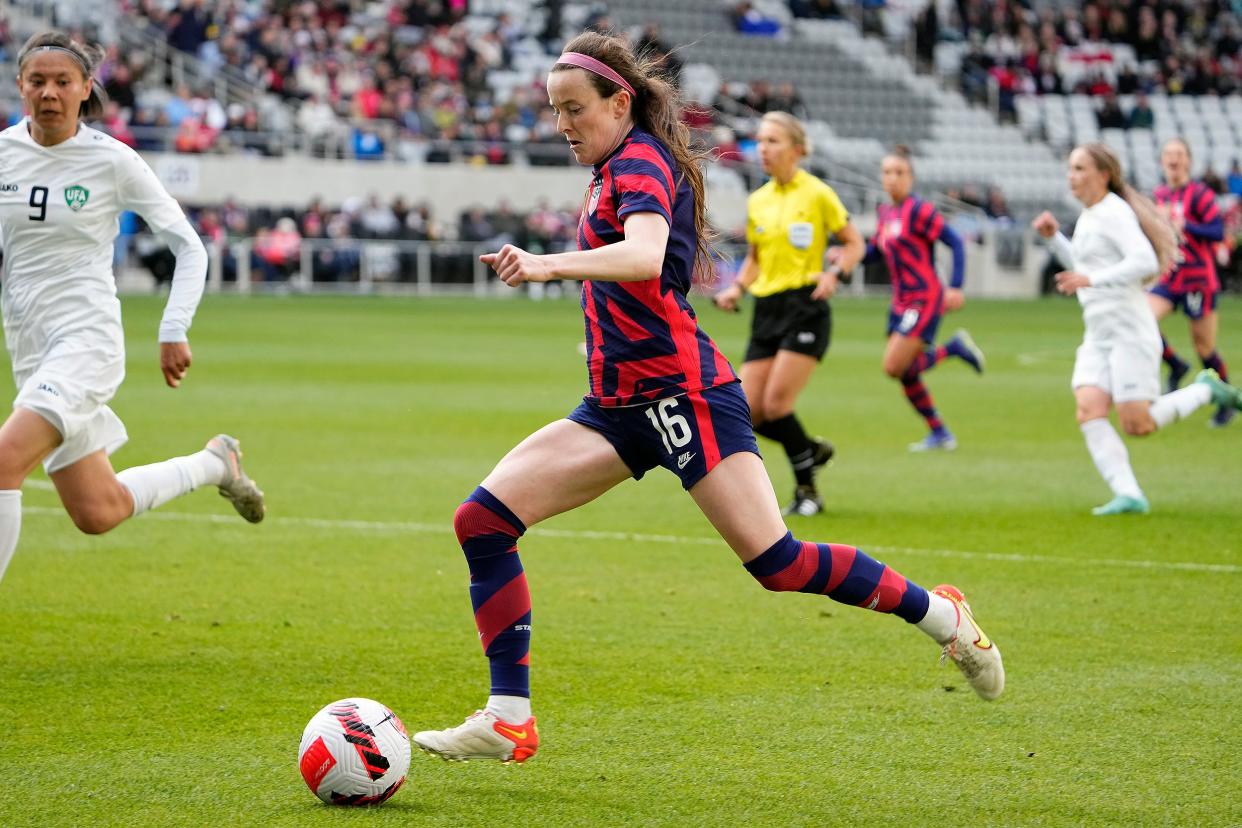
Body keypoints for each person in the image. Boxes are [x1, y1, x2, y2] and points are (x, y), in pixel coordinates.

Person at [412, 31, 1004, 766]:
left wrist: (545, 266)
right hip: (617, 405)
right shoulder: (606, 168)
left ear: (619, 100)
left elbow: (644, 255)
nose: (562, 125)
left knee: (778, 563)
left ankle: (944, 616)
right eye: (555, 111)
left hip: (686, 396)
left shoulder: (639, 162)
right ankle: (507, 719)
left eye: (573, 109)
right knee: (483, 521)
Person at [0, 31, 265, 587]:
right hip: (29, 349)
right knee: (98, 510)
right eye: (37, 81)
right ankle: (217, 462)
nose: (49, 92)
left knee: (4, 461)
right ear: (21, 86)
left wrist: (173, 328)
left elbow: (189, 245)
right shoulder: (4, 155)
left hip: (85, 344)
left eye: (62, 82)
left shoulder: (111, 160)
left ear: (85, 89)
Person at [1031, 143, 1242, 516]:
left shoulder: (1114, 212)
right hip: (1098, 331)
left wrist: (1092, 278)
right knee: (1089, 409)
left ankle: (1205, 390)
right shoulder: (1090, 214)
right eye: (1071, 168)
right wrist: (1053, 238)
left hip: (1129, 328)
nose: (1072, 176)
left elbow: (1143, 261)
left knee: (1138, 424)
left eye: (1080, 168)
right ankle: (1129, 494)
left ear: (1103, 174)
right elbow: (1082, 268)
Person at [712, 111, 865, 516]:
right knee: (746, 410)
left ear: (797, 149)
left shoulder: (816, 193)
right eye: (760, 141)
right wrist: (736, 288)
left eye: (773, 141)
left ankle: (808, 492)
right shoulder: (758, 200)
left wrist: (835, 273)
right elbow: (756, 259)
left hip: (805, 307)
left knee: (777, 406)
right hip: (766, 310)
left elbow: (854, 244)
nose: (763, 148)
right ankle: (810, 449)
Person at [867, 146, 984, 452]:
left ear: (911, 178)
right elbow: (877, 251)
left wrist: (956, 286)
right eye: (887, 172)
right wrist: (846, 256)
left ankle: (953, 349)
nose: (892, 179)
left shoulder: (919, 211)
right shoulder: (886, 212)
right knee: (905, 372)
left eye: (899, 173)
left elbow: (955, 242)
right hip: (900, 301)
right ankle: (940, 433)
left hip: (924, 297)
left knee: (893, 366)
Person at [1148, 138, 1234, 427]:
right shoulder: (1159, 195)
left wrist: (1187, 226)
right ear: (1162, 161)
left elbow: (1217, 229)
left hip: (1198, 279)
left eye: (1179, 154)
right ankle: (1175, 364)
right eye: (1169, 154)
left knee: (1204, 347)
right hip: (1170, 276)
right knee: (1142, 320)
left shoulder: (1199, 194)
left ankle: (1226, 399)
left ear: (1188, 160)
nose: (1174, 158)